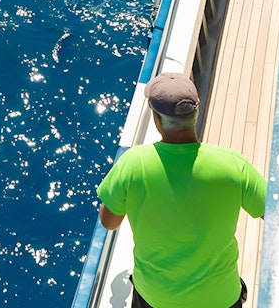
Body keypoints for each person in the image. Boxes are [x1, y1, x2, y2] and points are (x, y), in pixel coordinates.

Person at [97, 73, 267, 308]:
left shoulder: (133, 163)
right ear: (195, 114)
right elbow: (273, 212)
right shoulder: (233, 164)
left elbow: (109, 222)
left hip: (156, 298)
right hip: (220, 298)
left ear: (156, 119)